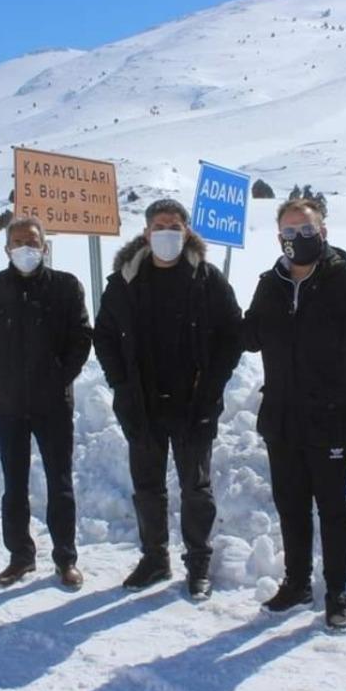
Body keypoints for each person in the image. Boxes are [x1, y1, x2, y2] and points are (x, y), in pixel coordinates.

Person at [243, 198, 346, 630]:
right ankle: (296, 583)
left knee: (334, 510)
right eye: (289, 234)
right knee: (291, 506)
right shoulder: (269, 283)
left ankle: (337, 592)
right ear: (279, 238)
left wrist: (334, 330)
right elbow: (251, 332)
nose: (298, 240)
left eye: (306, 231)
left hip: (334, 419)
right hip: (282, 417)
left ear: (323, 233)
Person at [94, 198, 243, 600]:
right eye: (159, 226)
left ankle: (198, 565)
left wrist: (211, 385)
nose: (166, 234)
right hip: (142, 404)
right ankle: (155, 559)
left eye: (174, 227)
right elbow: (104, 336)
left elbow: (233, 334)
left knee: (196, 487)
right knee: (147, 485)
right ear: (145, 232)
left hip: (193, 403)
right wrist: (120, 384)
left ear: (187, 232)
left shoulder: (207, 279)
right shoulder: (124, 281)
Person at [0, 217, 92, 589]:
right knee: (14, 482)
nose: (25, 248)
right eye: (18, 242)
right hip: (7, 404)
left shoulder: (65, 287)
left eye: (32, 242)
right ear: (6, 248)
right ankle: (20, 556)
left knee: (60, 481)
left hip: (53, 402)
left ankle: (65, 559)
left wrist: (60, 377)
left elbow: (81, 337)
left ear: (45, 246)